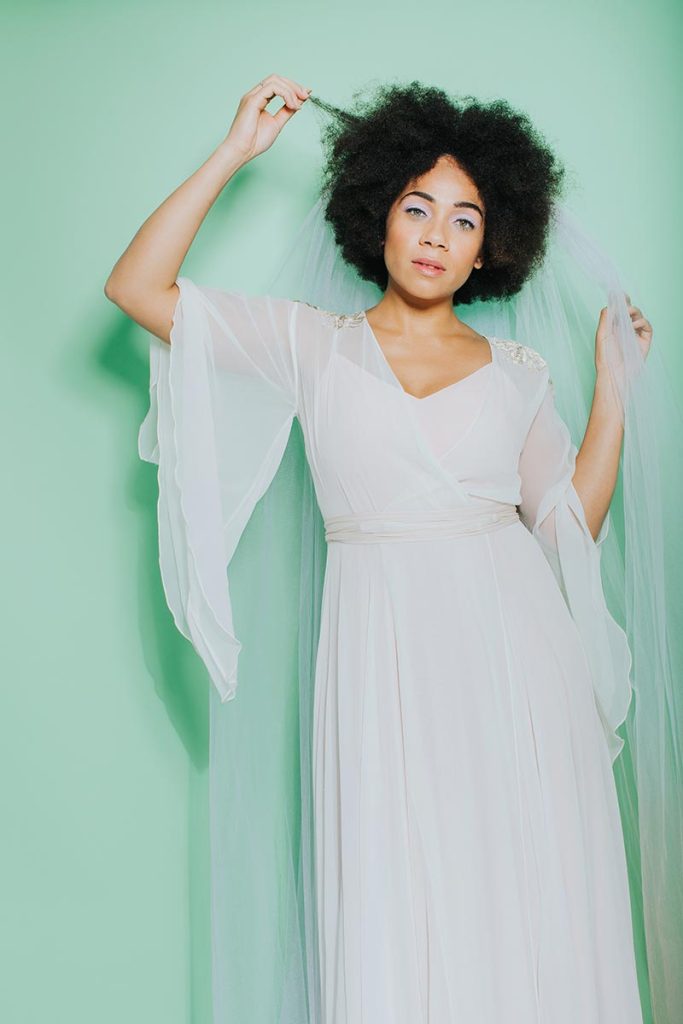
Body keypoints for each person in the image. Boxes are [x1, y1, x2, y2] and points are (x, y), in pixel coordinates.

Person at [105, 76, 661, 1023]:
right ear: (378, 217)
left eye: (464, 219)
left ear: (491, 246)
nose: (437, 235)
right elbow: (136, 288)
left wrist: (612, 389)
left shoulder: (518, 374)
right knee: (397, 889)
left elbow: (569, 527)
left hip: (518, 660)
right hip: (381, 656)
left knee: (525, 885)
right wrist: (237, 150)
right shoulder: (310, 346)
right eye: (416, 208)